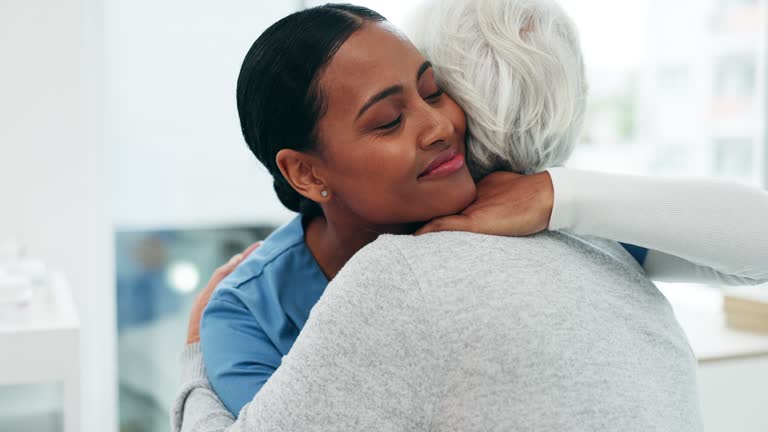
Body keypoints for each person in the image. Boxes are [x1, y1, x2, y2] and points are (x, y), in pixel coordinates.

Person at [172, 1, 768, 430]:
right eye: (387, 122)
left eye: (433, 92)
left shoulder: (510, 212)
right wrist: (196, 357)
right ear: (307, 173)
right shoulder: (251, 310)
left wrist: (554, 195)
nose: (438, 126)